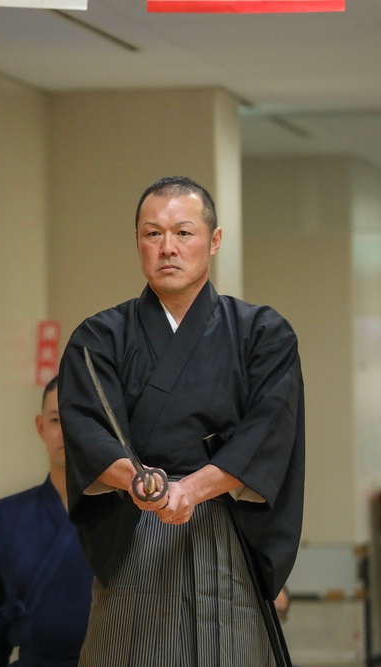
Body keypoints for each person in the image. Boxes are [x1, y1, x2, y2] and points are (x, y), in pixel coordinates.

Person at [58, 175, 305, 665]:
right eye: (153, 234)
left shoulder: (262, 334)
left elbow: (266, 433)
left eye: (183, 233)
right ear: (137, 242)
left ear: (213, 241)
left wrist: (190, 491)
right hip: (136, 530)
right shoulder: (100, 337)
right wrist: (142, 483)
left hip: (222, 528)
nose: (167, 247)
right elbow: (87, 431)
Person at [0, 377, 93, 666]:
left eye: (77, 418)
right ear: (40, 426)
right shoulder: (0, 521)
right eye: (57, 419)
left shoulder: (124, 517)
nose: (66, 431)